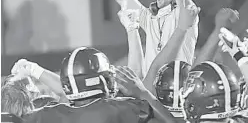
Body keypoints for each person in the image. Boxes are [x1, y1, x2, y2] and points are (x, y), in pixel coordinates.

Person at [11, 47, 175, 123]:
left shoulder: (43, 114)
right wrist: (143, 93)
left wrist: (35, 71)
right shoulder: (123, 109)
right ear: (97, 80)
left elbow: (76, 93)